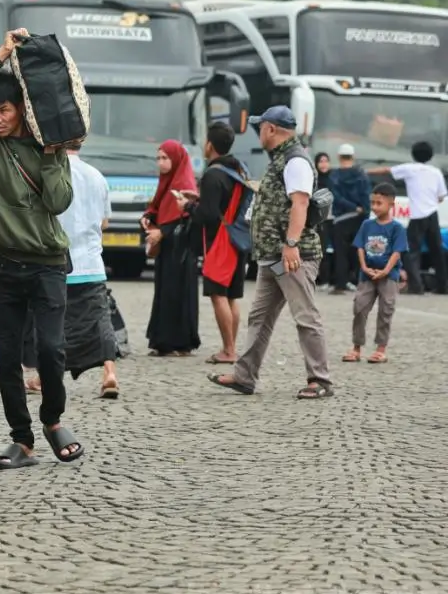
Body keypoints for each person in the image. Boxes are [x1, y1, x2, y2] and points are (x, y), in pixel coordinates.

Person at [0, 27, 83, 470]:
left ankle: (52, 420)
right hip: (6, 265)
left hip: (48, 264)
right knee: (6, 357)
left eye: (3, 110)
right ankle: (22, 439)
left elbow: (59, 202)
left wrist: (50, 156)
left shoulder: (48, 148)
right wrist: (2, 52)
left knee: (50, 350)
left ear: (21, 111)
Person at [209, 106, 334, 400]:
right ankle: (244, 376)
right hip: (273, 255)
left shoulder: (295, 161)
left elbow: (300, 204)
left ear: (271, 129)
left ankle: (320, 380)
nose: (258, 134)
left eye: (260, 127)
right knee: (259, 318)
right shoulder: (282, 159)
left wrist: (290, 244)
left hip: (292, 255)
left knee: (305, 316)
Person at [57, 145, 121, 398]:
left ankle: (45, 377)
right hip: (92, 263)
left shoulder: (51, 173)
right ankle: (110, 372)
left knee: (54, 322)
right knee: (100, 319)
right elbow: (105, 222)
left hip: (59, 261)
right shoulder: (96, 175)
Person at [188, 122, 249, 364]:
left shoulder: (213, 173)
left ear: (210, 145)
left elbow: (208, 215)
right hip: (238, 237)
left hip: (220, 242)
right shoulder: (239, 169)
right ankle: (230, 347)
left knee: (218, 294)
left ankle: (229, 350)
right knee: (232, 296)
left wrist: (189, 206)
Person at [142, 139, 201, 357]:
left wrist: (163, 232)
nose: (161, 163)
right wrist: (148, 218)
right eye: (158, 158)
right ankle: (163, 341)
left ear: (176, 159)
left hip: (182, 250)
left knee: (179, 293)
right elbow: (158, 207)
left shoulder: (185, 183)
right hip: (167, 249)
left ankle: (181, 342)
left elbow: (186, 218)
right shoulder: (166, 181)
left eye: (165, 158)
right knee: (164, 292)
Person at [367, 142, 447, 295]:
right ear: (430, 155)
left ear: (413, 154)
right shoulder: (436, 172)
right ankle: (443, 287)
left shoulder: (409, 169)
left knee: (410, 252)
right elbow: (441, 196)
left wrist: (364, 171)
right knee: (437, 251)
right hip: (432, 215)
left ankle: (416, 287)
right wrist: (431, 202)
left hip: (417, 216)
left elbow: (386, 170)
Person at [341, 183, 407, 364]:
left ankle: (380, 348)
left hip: (389, 277)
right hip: (367, 275)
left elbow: (396, 252)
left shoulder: (397, 228)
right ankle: (356, 347)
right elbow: (360, 247)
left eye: (380, 203)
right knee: (360, 308)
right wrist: (363, 267)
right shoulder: (366, 224)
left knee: (386, 311)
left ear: (391, 204)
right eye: (373, 203)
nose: (375, 207)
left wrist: (386, 271)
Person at [329, 144, 370, 293]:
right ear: (353, 157)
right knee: (358, 251)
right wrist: (361, 210)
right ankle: (360, 282)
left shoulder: (334, 176)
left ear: (339, 157)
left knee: (341, 253)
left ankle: (341, 284)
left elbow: (336, 197)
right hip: (359, 218)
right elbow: (366, 197)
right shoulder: (361, 175)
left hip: (341, 219)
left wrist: (351, 207)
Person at [313, 152, 334, 288]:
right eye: (321, 161)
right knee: (319, 250)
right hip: (318, 220)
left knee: (330, 250)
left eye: (326, 161)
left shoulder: (334, 179)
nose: (324, 164)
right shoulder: (313, 180)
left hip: (333, 218)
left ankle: (328, 279)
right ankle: (320, 279)